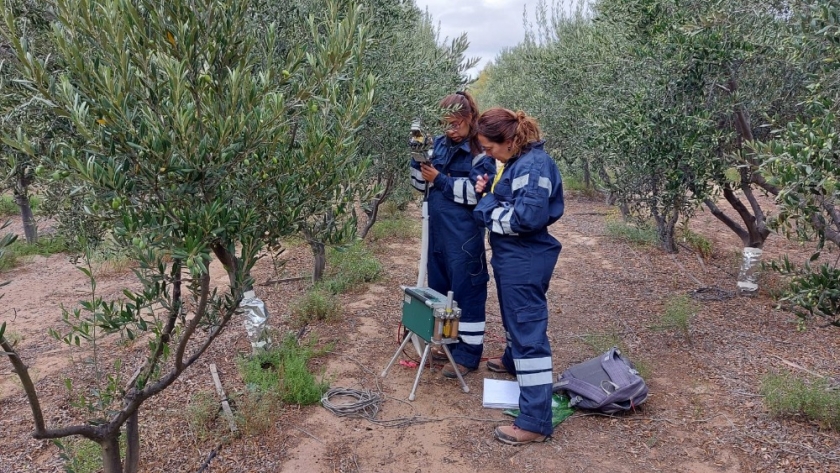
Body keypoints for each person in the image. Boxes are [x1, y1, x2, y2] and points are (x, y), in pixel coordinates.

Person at [473, 108, 564, 445]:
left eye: (489, 147)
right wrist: (491, 196)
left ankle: (535, 421)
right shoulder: (516, 162)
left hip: (525, 259)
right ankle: (513, 362)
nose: (488, 154)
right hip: (513, 258)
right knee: (516, 321)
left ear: (509, 141)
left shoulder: (533, 166)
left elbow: (525, 219)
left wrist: (485, 208)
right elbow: (508, 202)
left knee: (529, 335)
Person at [409, 91, 497, 379]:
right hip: (437, 231)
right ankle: (447, 344)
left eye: (457, 123)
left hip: (464, 236)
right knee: (440, 289)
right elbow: (420, 186)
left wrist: (441, 179)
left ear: (470, 118)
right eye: (446, 123)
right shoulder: (439, 147)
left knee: (467, 292)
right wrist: (416, 159)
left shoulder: (481, 154)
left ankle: (468, 355)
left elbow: (475, 193)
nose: (451, 129)